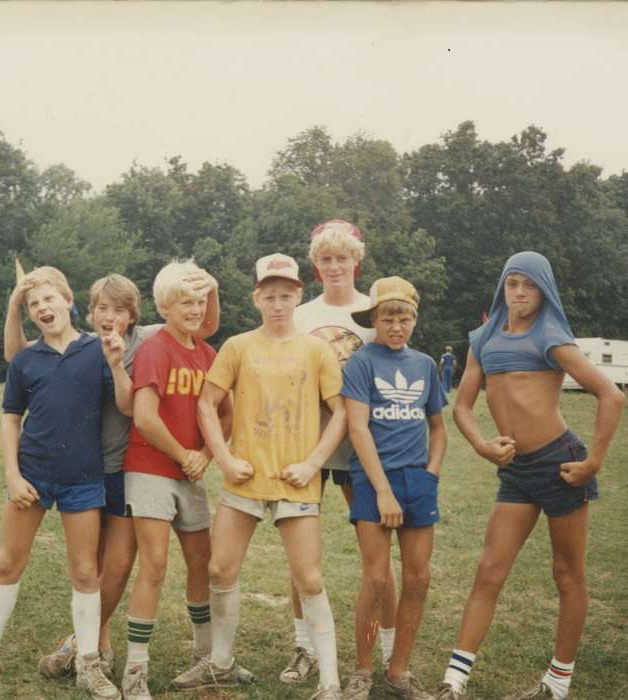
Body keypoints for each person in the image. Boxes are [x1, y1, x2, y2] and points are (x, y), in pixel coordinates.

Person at [3, 270, 220, 681]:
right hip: (84, 466)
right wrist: (16, 303)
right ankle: (96, 646)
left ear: (133, 315)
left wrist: (209, 286)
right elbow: (17, 355)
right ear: (89, 311)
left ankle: (79, 645)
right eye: (102, 308)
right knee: (93, 562)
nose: (110, 316)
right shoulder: (79, 344)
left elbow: (204, 324)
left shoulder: (150, 336)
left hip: (126, 466)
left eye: (119, 309)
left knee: (118, 562)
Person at [433, 252, 625, 700]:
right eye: (512, 283)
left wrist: (593, 461)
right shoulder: (482, 339)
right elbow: (461, 406)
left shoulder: (551, 336)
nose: (519, 293)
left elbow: (611, 395)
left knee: (567, 573)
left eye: (529, 285)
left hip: (562, 465)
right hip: (516, 471)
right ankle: (453, 682)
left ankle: (557, 684)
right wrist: (483, 445)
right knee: (489, 571)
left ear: (544, 291)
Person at [0, 266, 133, 700]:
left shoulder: (97, 350)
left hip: (83, 479)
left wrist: (119, 365)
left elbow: (127, 404)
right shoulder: (26, 358)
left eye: (49, 299)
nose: (43, 308)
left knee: (85, 571)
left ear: (68, 301)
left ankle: (88, 664)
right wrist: (12, 475)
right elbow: (11, 419)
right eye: (33, 305)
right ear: (28, 314)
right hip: (31, 476)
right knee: (8, 564)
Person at [173, 253, 348, 700]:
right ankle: (221, 664)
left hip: (296, 482)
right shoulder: (238, 346)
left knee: (308, 577)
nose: (277, 304)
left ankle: (330, 681)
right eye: (269, 296)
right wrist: (225, 459)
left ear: (297, 296)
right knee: (220, 567)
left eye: (286, 296)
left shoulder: (316, 349)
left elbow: (341, 413)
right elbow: (207, 404)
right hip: (244, 481)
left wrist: (312, 463)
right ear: (256, 298)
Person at [117, 260, 242, 700]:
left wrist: (207, 454)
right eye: (185, 302)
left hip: (191, 471)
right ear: (165, 306)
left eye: (200, 301)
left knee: (201, 562)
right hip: (151, 468)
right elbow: (146, 418)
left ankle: (205, 655)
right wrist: (185, 454)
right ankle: (135, 670)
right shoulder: (155, 348)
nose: (195, 309)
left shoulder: (208, 354)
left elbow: (227, 414)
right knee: (154, 564)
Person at [286, 219, 399, 685]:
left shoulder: (374, 316)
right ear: (316, 266)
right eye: (325, 259)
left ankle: (392, 650)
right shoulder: (300, 315)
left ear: (358, 261)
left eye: (342, 258)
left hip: (360, 450)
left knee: (377, 557)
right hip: (307, 445)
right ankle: (304, 647)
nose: (334, 266)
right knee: (302, 554)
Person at [340, 276, 447, 700]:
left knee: (419, 577)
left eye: (404, 318)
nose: (396, 326)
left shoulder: (424, 365)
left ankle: (398, 671)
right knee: (377, 578)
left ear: (414, 321)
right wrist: (382, 489)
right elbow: (357, 427)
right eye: (388, 317)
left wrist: (431, 474)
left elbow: (438, 428)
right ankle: (363, 670)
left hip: (417, 478)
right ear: (374, 320)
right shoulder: (362, 362)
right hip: (372, 479)